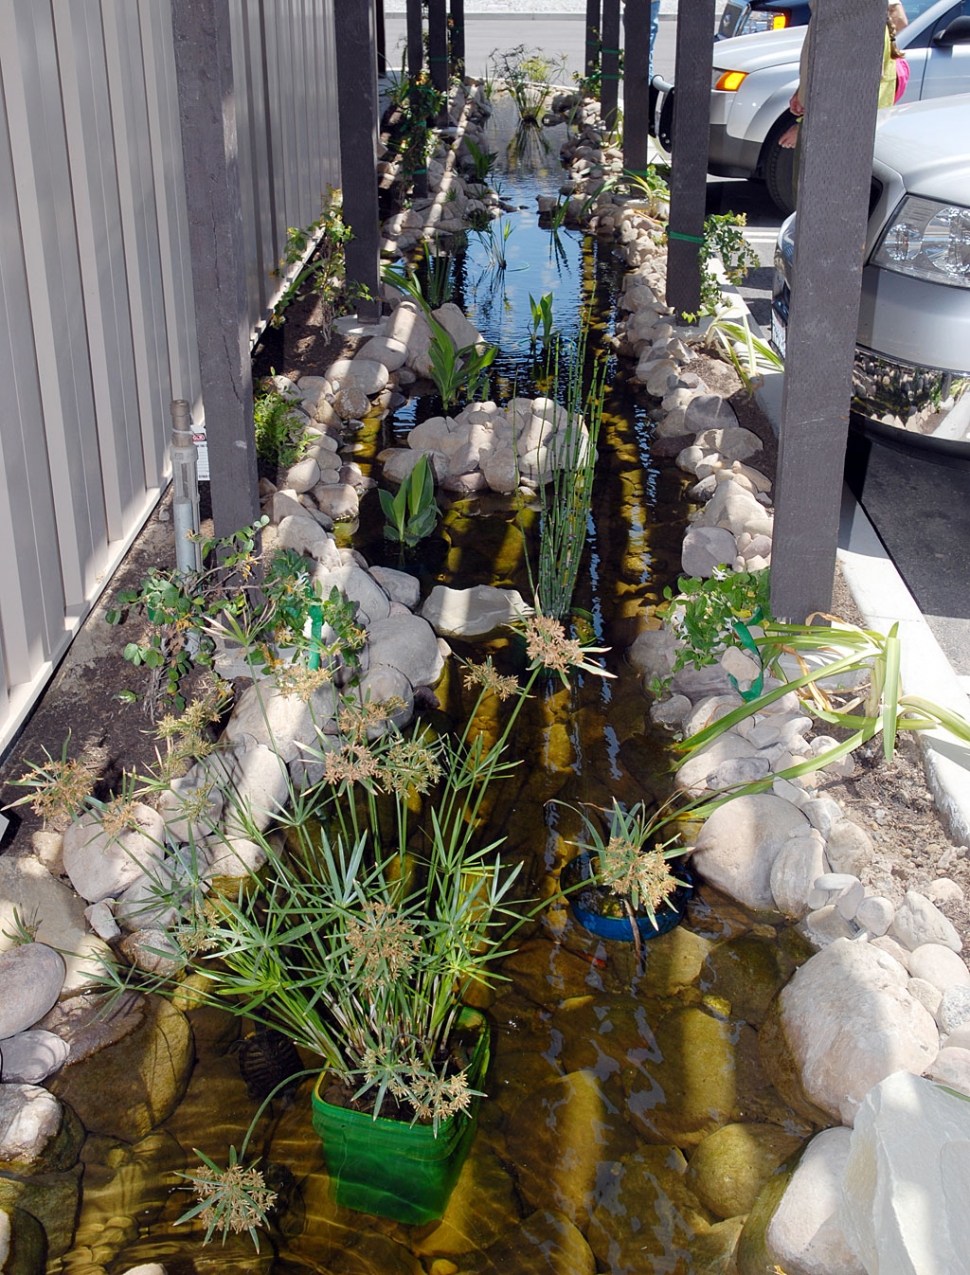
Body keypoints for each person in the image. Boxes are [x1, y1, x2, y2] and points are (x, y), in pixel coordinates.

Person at [778, 0, 907, 152]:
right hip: (843, 133)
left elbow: (854, 89)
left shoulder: (851, 15)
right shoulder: (849, 14)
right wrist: (803, 89)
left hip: (841, 140)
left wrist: (807, 128)